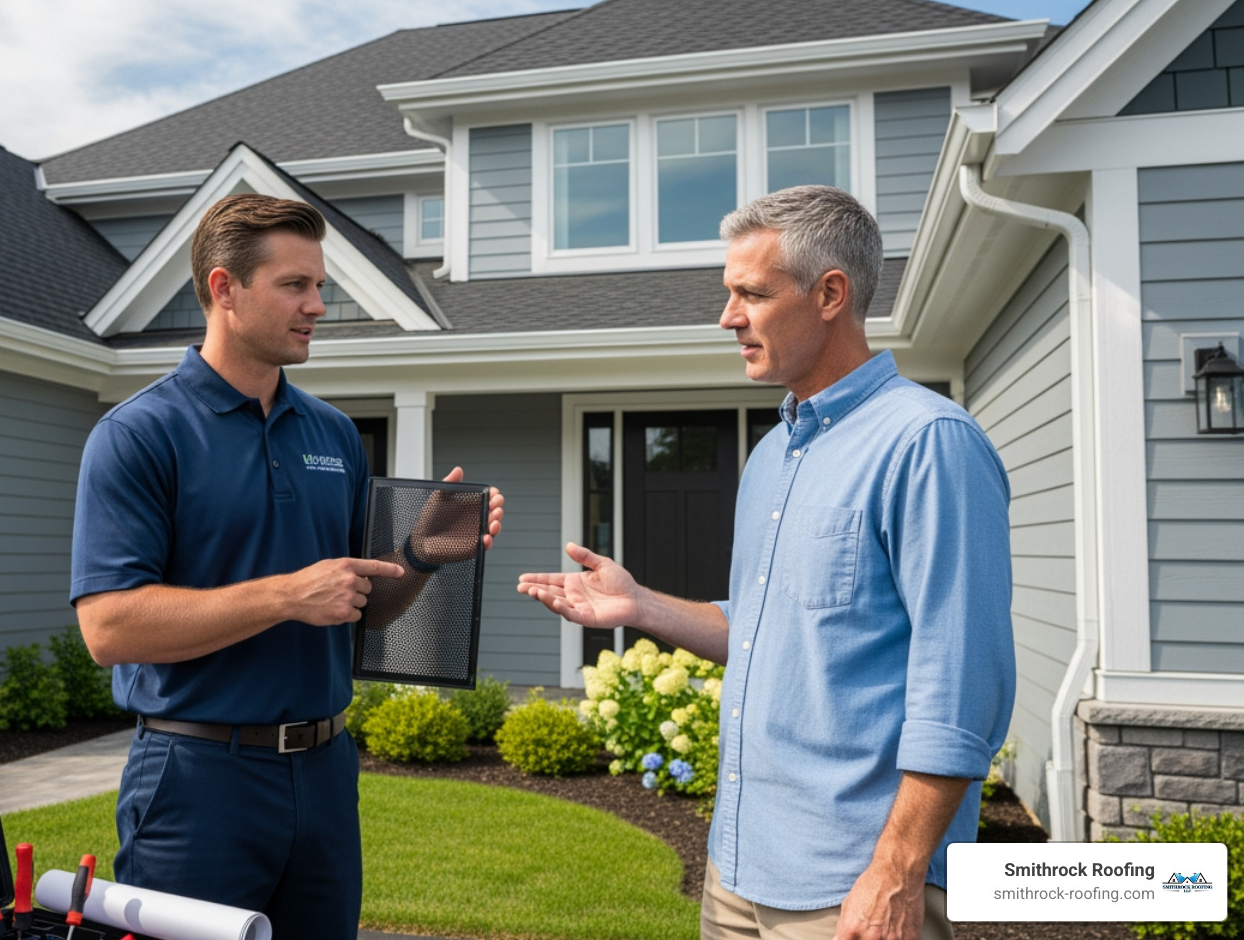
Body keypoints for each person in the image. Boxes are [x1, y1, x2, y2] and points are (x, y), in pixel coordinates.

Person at [519, 185, 1013, 940]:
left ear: (830, 294)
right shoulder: (773, 453)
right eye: (729, 294)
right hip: (739, 873)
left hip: (851, 886)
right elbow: (763, 629)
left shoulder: (927, 444)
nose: (728, 317)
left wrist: (896, 872)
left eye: (751, 293)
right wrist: (640, 604)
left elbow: (962, 686)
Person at [70, 193, 502, 940]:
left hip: (327, 773)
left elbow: (356, 608)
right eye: (295, 286)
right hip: (198, 777)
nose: (318, 305)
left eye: (320, 286)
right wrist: (283, 596)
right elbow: (109, 628)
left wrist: (421, 557)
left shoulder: (333, 432)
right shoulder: (138, 435)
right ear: (224, 289)